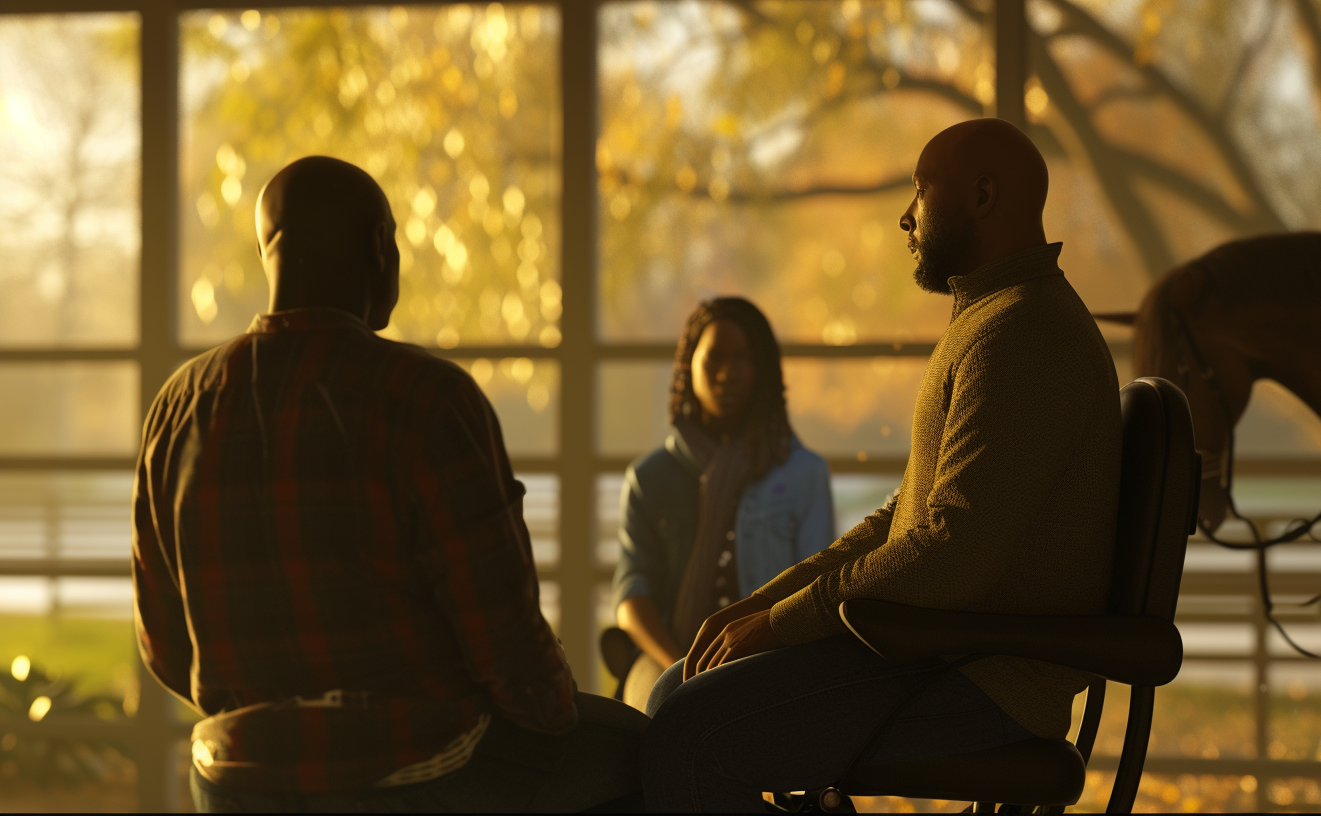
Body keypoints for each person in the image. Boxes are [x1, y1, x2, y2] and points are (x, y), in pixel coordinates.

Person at [131, 156, 646, 812]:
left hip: (237, 773)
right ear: (380, 247)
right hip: (420, 765)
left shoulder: (178, 407)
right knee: (646, 753)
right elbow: (506, 642)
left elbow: (164, 647)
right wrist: (557, 712)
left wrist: (265, 719)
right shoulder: (425, 398)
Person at [638, 119, 1123, 811]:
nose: (907, 214)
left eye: (921, 190)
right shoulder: (993, 321)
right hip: (929, 654)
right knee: (677, 688)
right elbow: (901, 519)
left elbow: (950, 554)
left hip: (977, 677)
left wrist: (777, 625)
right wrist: (759, 608)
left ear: (982, 195)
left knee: (687, 730)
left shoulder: (1023, 336)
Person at [611, 297, 835, 712]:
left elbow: (814, 588)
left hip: (771, 657)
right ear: (688, 367)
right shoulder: (649, 478)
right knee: (659, 711)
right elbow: (631, 595)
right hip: (668, 656)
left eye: (743, 359)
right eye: (713, 358)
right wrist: (679, 665)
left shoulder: (804, 475)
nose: (727, 374)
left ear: (763, 371)